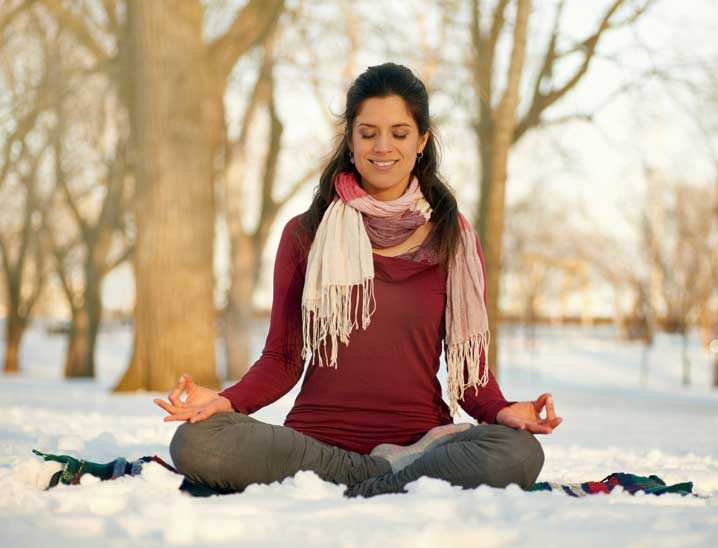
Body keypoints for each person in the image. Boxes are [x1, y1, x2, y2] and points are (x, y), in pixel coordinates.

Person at [154, 63, 563, 498]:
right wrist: (226, 402)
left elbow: (472, 376)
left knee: (520, 453)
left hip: (420, 446)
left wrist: (502, 412)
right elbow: (282, 359)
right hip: (313, 448)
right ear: (350, 140)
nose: (382, 147)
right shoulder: (305, 233)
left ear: (422, 141)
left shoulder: (454, 238)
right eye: (368, 133)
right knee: (197, 442)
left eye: (399, 133)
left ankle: (371, 479)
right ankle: (384, 484)